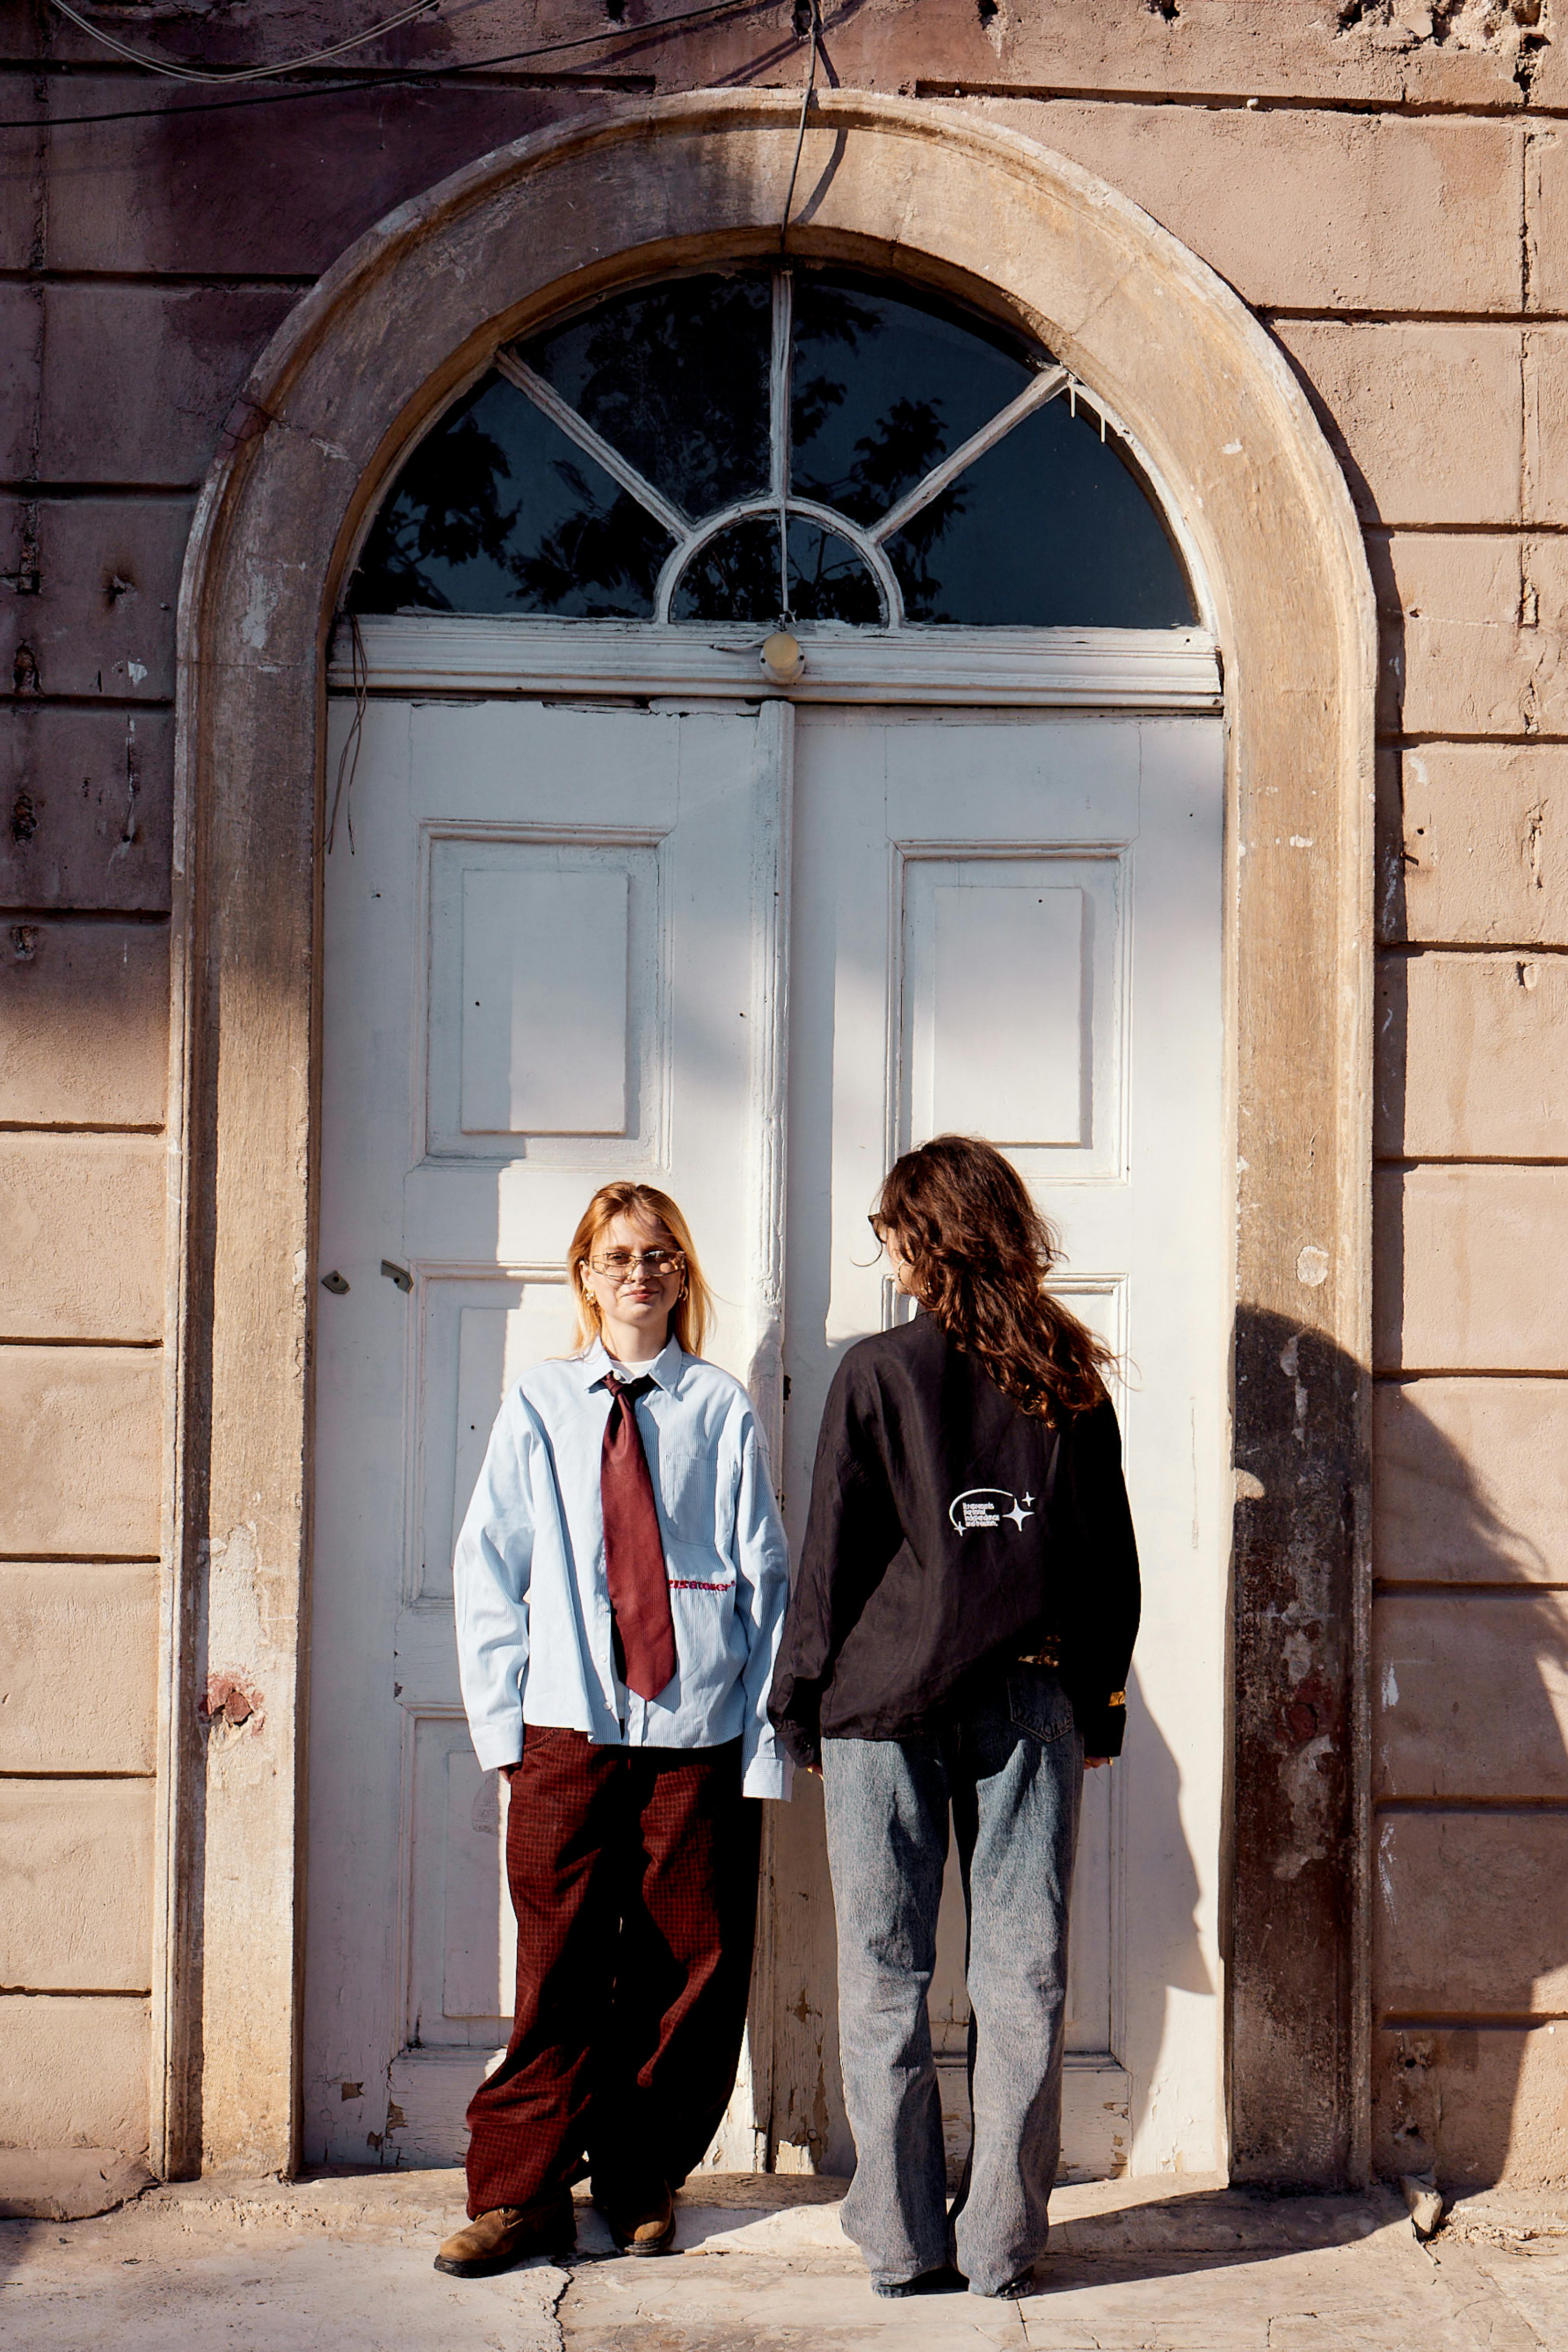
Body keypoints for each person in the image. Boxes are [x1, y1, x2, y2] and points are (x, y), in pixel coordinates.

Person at [769, 1134, 1140, 2303]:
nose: (879, 1249)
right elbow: (1108, 1564)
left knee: (884, 1969)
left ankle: (900, 2242)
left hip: (884, 1707)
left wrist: (799, 1705)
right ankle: (998, 2246)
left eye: (887, 1227)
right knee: (1020, 1971)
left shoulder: (878, 1371)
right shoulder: (1066, 1375)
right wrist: (1103, 1700)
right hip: (1031, 1698)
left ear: (924, 1236)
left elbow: (832, 1559)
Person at [435, 1181, 793, 2280]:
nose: (642, 1271)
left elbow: (767, 1582)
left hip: (694, 1728)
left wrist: (761, 1736)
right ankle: (521, 2194)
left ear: (684, 1275)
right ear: (586, 1275)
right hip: (568, 1729)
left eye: (662, 1255)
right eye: (620, 1255)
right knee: (559, 1961)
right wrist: (505, 1730)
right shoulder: (542, 1404)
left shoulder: (719, 1408)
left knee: (691, 1963)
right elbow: (488, 1567)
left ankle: (640, 2174)